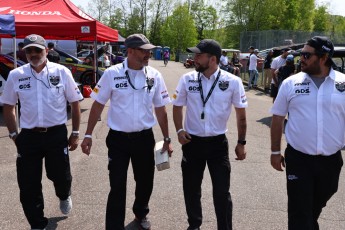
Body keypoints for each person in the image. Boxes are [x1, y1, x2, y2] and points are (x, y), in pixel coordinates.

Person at [80, 33, 173, 230]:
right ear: (130, 51)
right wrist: (88, 135)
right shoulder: (112, 73)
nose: (148, 54)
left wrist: (166, 138)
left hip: (144, 138)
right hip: (118, 140)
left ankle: (141, 213)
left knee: (145, 181)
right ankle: (114, 226)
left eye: (149, 50)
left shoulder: (154, 75)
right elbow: (97, 105)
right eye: (143, 50)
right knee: (117, 185)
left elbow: (161, 109)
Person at [0, 34, 83, 230]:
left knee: (60, 176)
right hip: (29, 136)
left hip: (56, 134)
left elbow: (75, 102)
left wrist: (76, 133)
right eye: (29, 50)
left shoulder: (62, 72)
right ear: (24, 53)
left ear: (46, 51)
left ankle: (64, 195)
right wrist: (14, 134)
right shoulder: (16, 75)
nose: (33, 54)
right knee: (28, 183)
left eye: (38, 50)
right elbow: (9, 106)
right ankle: (38, 224)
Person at [172, 39, 247, 230]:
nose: (194, 59)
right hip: (192, 143)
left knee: (222, 193)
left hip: (218, 145)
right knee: (191, 190)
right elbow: (177, 106)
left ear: (212, 59)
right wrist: (179, 131)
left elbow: (241, 116)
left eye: (199, 55)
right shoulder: (187, 79)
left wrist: (241, 142)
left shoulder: (232, 81)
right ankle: (194, 225)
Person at [270, 36, 344, 230]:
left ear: (323, 57)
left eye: (306, 55)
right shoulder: (290, 83)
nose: (300, 58)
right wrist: (275, 152)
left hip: (331, 161)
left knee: (313, 208)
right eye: (300, 54)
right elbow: (277, 117)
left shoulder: (343, 84)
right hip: (298, 159)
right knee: (299, 211)